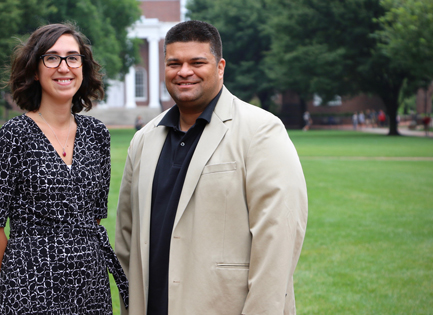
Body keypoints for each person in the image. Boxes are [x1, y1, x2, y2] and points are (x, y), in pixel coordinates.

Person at [115, 20, 308, 315]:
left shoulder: (261, 131)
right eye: (174, 63)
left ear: (220, 67)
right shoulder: (143, 140)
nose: (184, 72)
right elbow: (126, 240)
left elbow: (278, 239)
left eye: (197, 62)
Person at [0, 23, 128, 315]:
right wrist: (21, 282)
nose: (64, 67)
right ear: (35, 69)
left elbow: (94, 219)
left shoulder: (97, 134)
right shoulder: (14, 135)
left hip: (91, 289)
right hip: (31, 291)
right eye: (52, 57)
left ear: (83, 68)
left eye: (73, 57)